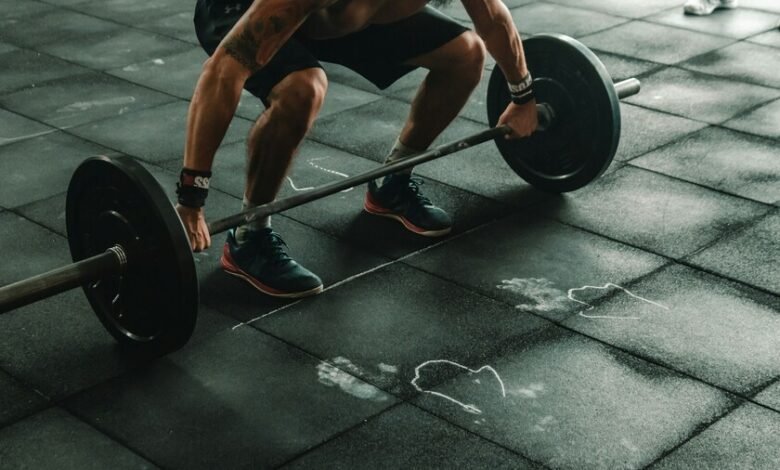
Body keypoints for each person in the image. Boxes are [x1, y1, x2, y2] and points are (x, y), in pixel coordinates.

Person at [176, 0, 538, 298]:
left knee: (466, 53)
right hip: (244, 9)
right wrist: (192, 197)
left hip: (340, 20)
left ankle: (392, 184)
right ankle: (250, 236)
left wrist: (522, 96)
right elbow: (222, 72)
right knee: (303, 89)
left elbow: (492, 18)